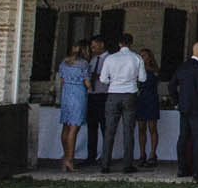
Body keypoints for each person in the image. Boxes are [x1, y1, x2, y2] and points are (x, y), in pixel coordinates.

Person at [95, 35, 147, 173]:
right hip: (130, 94)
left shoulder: (110, 58)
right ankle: (127, 165)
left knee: (109, 130)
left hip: (113, 94)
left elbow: (103, 79)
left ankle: (105, 164)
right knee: (128, 130)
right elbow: (142, 78)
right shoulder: (136, 58)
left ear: (119, 44)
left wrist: (114, 80)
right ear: (131, 43)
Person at [173, 42, 198, 180]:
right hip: (197, 108)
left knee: (183, 138)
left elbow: (172, 86)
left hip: (184, 108)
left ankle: (182, 168)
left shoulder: (182, 66)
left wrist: (177, 102)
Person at [56, 43, 90, 173]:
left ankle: (65, 157)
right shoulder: (83, 64)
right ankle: (69, 159)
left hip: (66, 94)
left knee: (66, 126)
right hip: (78, 95)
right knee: (74, 128)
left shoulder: (64, 62)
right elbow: (86, 82)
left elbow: (62, 80)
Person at [84, 34, 109, 165]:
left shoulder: (110, 59)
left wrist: (99, 76)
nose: (92, 49)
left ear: (101, 45)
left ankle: (106, 156)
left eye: (94, 46)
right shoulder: (93, 60)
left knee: (105, 127)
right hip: (92, 96)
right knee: (91, 127)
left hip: (104, 96)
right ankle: (91, 156)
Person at [134, 48, 161, 165]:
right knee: (141, 128)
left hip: (151, 99)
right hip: (140, 99)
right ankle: (142, 154)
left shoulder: (154, 69)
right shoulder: (137, 69)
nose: (142, 58)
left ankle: (153, 153)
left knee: (152, 128)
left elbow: (156, 75)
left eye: (144, 56)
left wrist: (145, 67)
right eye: (140, 56)